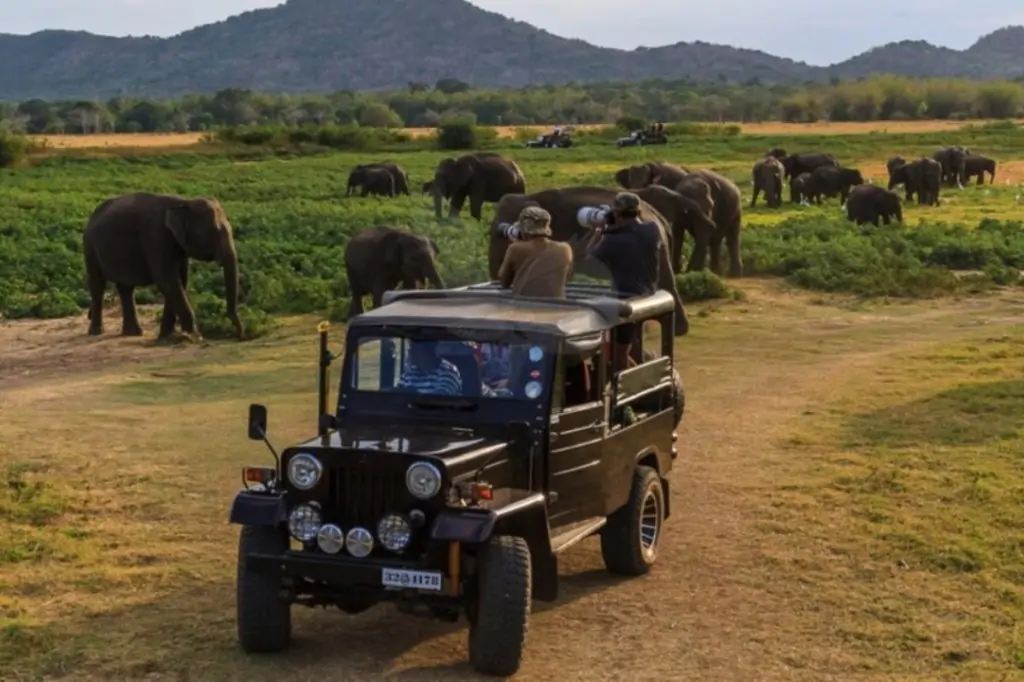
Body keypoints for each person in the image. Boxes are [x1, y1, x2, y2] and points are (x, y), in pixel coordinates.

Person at [585, 192, 662, 370]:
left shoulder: (611, 241)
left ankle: (640, 385)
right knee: (623, 349)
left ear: (617, 214)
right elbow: (636, 230)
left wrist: (598, 231)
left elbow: (589, 259)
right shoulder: (652, 230)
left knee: (618, 356)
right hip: (648, 292)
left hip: (625, 299)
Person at [497, 206, 574, 298]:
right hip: (557, 306)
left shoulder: (515, 249)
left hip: (525, 306)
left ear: (523, 229)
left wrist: (515, 246)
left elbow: (504, 282)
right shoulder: (565, 248)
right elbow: (567, 275)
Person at [396, 339, 463, 395]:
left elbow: (440, 400)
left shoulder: (448, 372)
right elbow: (397, 394)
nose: (410, 352)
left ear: (426, 352)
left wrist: (414, 397)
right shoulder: (409, 374)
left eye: (414, 348)